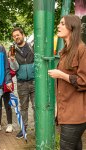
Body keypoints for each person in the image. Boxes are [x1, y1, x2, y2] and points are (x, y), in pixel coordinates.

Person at [48, 14, 86, 150]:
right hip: (67, 113)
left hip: (75, 115)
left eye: (62, 24)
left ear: (72, 27)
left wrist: (61, 75)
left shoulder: (82, 49)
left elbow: (84, 81)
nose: (58, 26)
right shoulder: (64, 51)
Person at [9, 27, 35, 139]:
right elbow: (14, 69)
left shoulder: (32, 46)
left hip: (34, 82)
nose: (16, 37)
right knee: (23, 108)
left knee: (36, 106)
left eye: (18, 35)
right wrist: (12, 59)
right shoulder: (12, 50)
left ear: (23, 35)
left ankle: (39, 129)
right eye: (14, 36)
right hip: (21, 83)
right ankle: (24, 129)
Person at [0, 58, 16, 133]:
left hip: (6, 88)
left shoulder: (7, 61)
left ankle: (10, 124)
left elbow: (13, 72)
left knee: (8, 106)